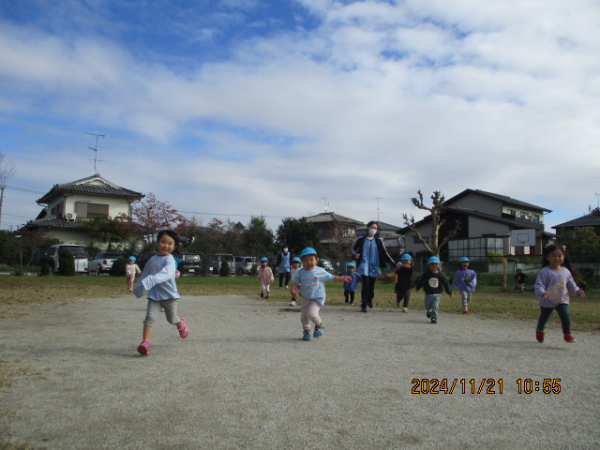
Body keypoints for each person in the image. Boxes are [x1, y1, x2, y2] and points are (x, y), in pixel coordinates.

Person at [133, 230, 189, 356]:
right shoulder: (152, 260)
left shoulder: (170, 260)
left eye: (170, 243)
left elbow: (168, 273)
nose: (166, 246)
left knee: (171, 319)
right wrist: (139, 288)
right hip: (154, 296)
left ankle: (180, 322)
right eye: (163, 242)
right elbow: (145, 274)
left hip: (170, 297)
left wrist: (151, 280)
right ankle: (145, 343)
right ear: (157, 243)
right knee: (149, 318)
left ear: (174, 247)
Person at [292, 247, 351, 341]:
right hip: (306, 297)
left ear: (316, 260)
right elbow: (295, 281)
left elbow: (331, 277)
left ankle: (319, 325)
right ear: (302, 262)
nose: (309, 262)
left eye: (311, 260)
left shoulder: (320, 271)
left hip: (317, 298)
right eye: (306, 260)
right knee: (304, 316)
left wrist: (342, 278)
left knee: (312, 314)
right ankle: (306, 331)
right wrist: (293, 289)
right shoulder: (300, 272)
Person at [533, 244, 585, 343]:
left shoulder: (566, 272)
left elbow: (571, 285)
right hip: (547, 301)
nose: (557, 258)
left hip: (562, 300)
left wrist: (576, 291)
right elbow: (538, 285)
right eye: (553, 255)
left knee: (565, 314)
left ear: (564, 256)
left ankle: (567, 334)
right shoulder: (544, 272)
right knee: (544, 318)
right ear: (547, 257)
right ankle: (540, 330)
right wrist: (542, 293)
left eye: (560, 255)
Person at [351, 221, 398, 313]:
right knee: (365, 285)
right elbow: (352, 249)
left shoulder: (379, 241)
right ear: (367, 228)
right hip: (364, 265)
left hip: (375, 266)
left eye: (375, 228)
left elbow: (385, 254)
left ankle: (369, 299)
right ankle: (364, 305)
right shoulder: (361, 239)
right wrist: (355, 254)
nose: (374, 229)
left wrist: (394, 264)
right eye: (372, 227)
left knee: (371, 286)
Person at [415, 256, 452, 324]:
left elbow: (446, 283)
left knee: (435, 306)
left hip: (437, 294)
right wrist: (418, 287)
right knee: (427, 306)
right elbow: (421, 281)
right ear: (429, 265)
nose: (434, 266)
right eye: (432, 264)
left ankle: (434, 317)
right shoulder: (426, 274)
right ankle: (429, 311)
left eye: (436, 264)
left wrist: (449, 291)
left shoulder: (441, 275)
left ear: (439, 265)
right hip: (428, 293)